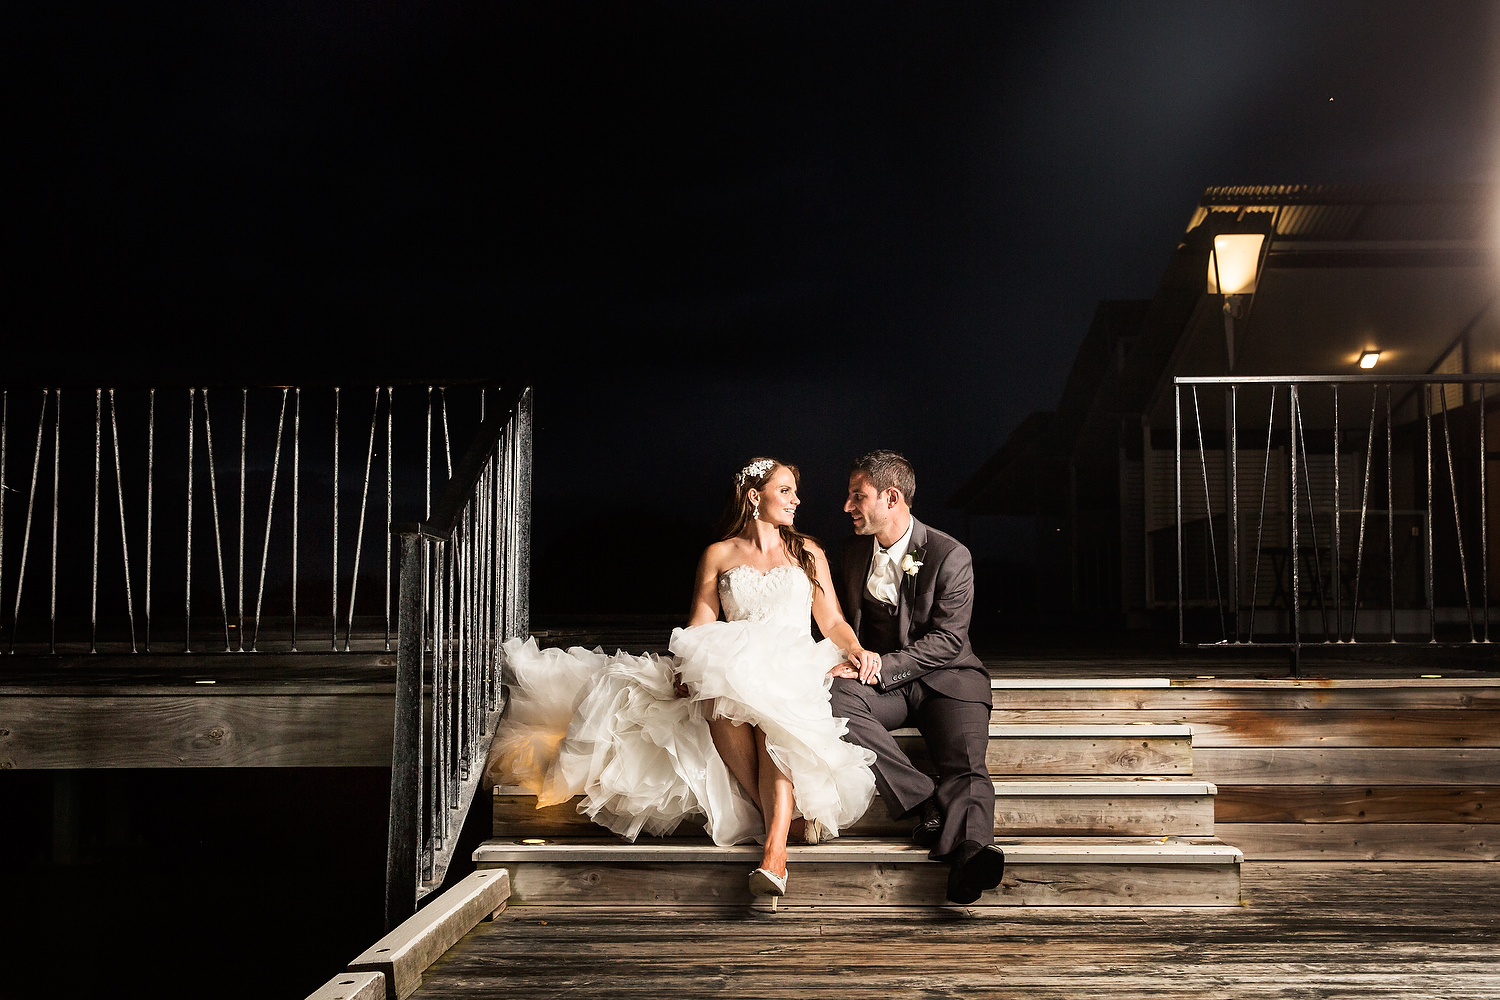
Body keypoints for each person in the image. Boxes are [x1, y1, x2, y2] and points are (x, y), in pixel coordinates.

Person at [484, 456, 876, 903]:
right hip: (732, 660)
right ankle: (776, 819)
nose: (795, 500)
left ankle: (774, 855)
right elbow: (700, 623)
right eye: (785, 490)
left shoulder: (807, 551)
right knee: (713, 700)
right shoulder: (719, 554)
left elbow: (831, 620)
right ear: (754, 497)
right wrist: (687, 665)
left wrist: (856, 648)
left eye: (794, 491)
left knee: (775, 722)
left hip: (790, 661)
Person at [829, 449, 1005, 905]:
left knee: (965, 765)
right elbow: (834, 623)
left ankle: (969, 856)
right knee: (833, 701)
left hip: (949, 680)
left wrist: (881, 665)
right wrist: (846, 659)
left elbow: (949, 640)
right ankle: (922, 800)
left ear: (891, 497)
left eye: (857, 496)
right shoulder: (849, 554)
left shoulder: (950, 554)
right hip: (882, 688)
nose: (847, 507)